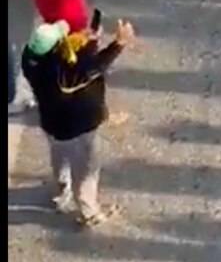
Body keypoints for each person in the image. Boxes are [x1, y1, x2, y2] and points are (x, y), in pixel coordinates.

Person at [21, 16, 136, 227]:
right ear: (55, 50)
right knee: (86, 169)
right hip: (78, 128)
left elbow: (69, 57)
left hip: (52, 125)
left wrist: (87, 40)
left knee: (59, 159)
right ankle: (89, 211)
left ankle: (60, 191)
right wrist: (118, 44)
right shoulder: (60, 74)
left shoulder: (30, 57)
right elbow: (91, 68)